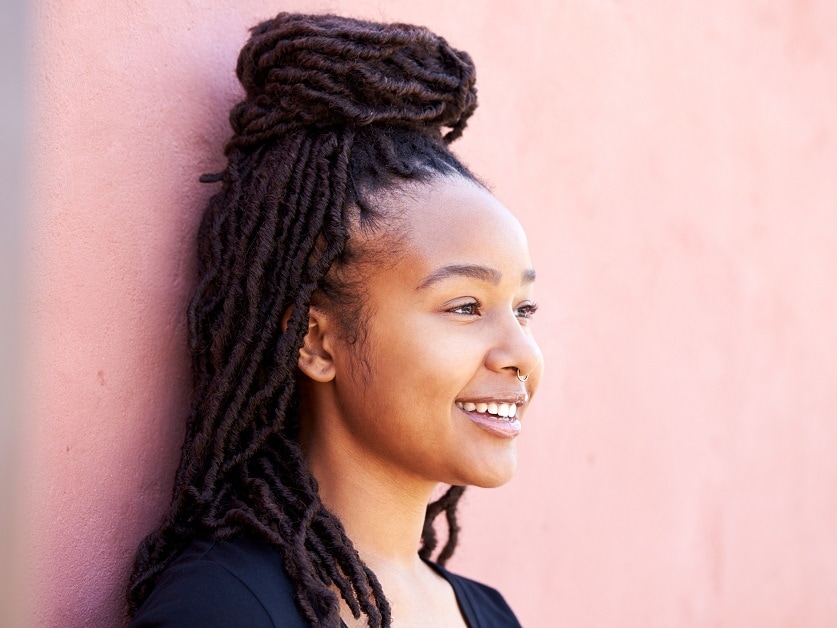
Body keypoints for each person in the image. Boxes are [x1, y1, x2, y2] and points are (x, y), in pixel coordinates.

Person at [127, 12, 543, 627]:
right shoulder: (223, 609)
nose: (520, 353)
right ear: (316, 340)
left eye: (524, 310)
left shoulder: (489, 615)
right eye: (465, 306)